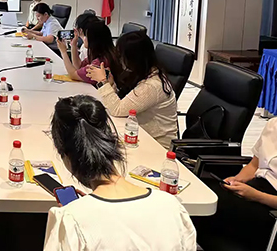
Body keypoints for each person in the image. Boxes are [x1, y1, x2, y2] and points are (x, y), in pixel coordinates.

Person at [43, 95, 196, 250]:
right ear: (112, 141)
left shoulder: (71, 220)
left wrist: (79, 210)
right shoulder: (172, 207)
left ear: (65, 155)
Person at [192, 117, 277, 250]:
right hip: (256, 187)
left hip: (270, 204)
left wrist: (256, 196)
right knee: (202, 193)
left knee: (211, 211)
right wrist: (236, 179)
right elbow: (253, 165)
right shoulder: (273, 125)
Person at [86, 31, 177, 149]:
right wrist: (110, 84)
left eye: (122, 56)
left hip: (157, 145)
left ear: (133, 59)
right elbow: (125, 102)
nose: (120, 60)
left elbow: (118, 110)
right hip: (137, 134)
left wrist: (102, 82)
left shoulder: (152, 85)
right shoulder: (145, 73)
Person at [57, 20, 121, 86]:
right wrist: (74, 45)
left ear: (93, 41)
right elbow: (79, 66)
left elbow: (73, 75)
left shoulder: (99, 62)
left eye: (86, 36)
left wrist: (63, 52)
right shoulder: (104, 53)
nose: (84, 38)